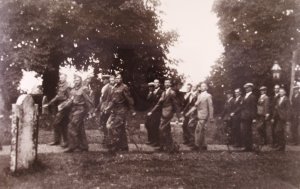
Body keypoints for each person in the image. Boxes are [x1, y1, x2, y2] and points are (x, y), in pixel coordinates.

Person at [105, 74, 136, 153]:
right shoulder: (114, 87)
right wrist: (107, 108)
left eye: (119, 78)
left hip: (122, 110)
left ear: (121, 79)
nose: (117, 80)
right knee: (120, 128)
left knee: (113, 126)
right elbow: (112, 100)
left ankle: (114, 146)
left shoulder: (124, 87)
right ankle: (124, 147)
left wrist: (132, 110)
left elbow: (129, 99)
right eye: (116, 78)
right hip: (115, 110)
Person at [148, 79, 181, 152]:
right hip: (163, 113)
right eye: (165, 83)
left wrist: (179, 116)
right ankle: (171, 147)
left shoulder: (172, 93)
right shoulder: (163, 93)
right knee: (166, 130)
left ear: (170, 84)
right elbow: (159, 104)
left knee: (161, 128)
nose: (166, 84)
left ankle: (164, 146)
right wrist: (152, 111)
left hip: (169, 113)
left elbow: (176, 105)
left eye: (168, 83)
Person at [64, 74, 94, 153]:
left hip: (81, 110)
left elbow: (89, 100)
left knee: (72, 126)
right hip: (73, 110)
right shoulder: (73, 90)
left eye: (78, 80)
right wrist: (65, 105)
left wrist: (91, 112)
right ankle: (84, 147)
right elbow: (70, 100)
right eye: (75, 80)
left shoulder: (83, 89)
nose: (76, 81)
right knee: (80, 128)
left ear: (81, 81)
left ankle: (74, 146)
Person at [44, 73, 71, 148]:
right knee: (62, 124)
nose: (61, 79)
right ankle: (62, 141)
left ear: (66, 78)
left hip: (64, 107)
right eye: (60, 77)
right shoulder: (60, 86)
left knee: (56, 123)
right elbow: (57, 97)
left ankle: (61, 141)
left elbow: (70, 98)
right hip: (60, 106)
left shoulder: (67, 86)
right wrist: (49, 104)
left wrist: (64, 105)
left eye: (62, 77)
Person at [186, 82, 214, 151]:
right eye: (201, 86)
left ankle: (197, 145)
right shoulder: (200, 95)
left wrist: (211, 117)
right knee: (202, 131)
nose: (202, 87)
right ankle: (204, 146)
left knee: (198, 130)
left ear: (206, 88)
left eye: (204, 86)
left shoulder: (208, 95)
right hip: (199, 115)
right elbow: (195, 105)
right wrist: (188, 112)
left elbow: (211, 107)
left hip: (204, 115)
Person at [96, 74, 113, 146]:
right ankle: (106, 139)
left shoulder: (109, 87)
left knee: (106, 124)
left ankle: (108, 140)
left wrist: (106, 107)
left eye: (104, 79)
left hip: (107, 107)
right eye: (103, 79)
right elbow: (101, 99)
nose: (103, 81)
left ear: (108, 80)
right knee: (103, 124)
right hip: (103, 107)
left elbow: (108, 99)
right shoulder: (104, 87)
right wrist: (98, 107)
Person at [240, 83, 257, 151]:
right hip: (244, 116)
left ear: (251, 88)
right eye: (245, 88)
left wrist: (254, 118)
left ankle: (248, 146)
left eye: (247, 88)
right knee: (245, 131)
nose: (246, 89)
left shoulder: (252, 96)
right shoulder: (245, 96)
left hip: (249, 116)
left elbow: (253, 108)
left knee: (247, 131)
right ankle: (247, 146)